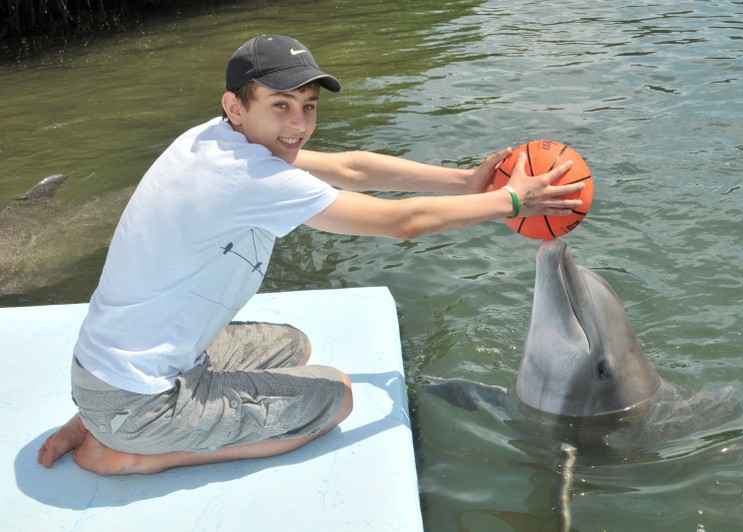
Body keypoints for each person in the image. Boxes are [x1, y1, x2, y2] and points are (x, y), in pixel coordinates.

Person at [37, 35, 584, 475]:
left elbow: (350, 167)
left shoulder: (212, 139)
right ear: (236, 105)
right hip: (138, 397)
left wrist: (466, 181)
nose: (298, 125)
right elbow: (402, 224)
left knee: (292, 347)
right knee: (335, 399)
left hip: (107, 373)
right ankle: (132, 452)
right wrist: (513, 199)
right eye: (280, 106)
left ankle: (101, 418)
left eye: (308, 106)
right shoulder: (249, 177)